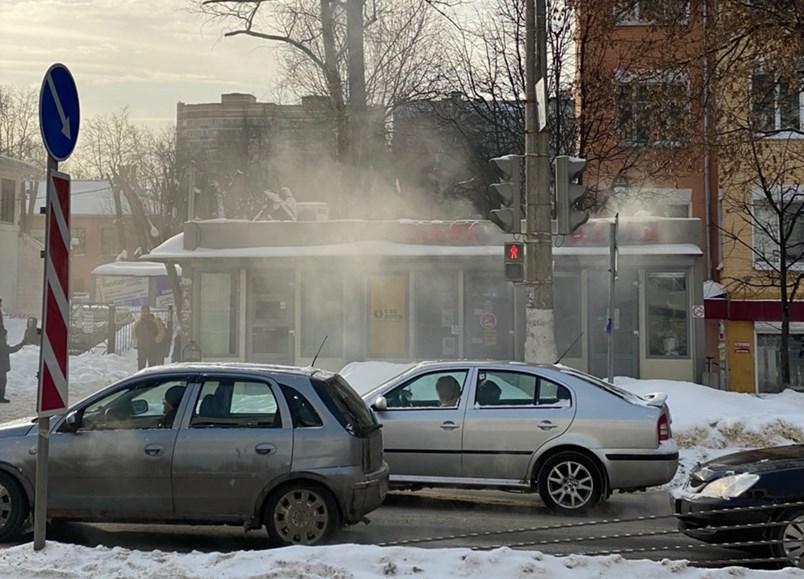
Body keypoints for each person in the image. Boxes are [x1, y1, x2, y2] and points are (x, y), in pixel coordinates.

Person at [133, 305, 165, 370]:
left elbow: (161, 331)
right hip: (142, 347)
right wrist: (137, 341)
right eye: (142, 311)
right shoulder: (138, 322)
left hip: (153, 346)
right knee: (141, 365)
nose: (144, 313)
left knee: (152, 365)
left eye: (145, 311)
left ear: (149, 312)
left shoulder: (155, 321)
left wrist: (156, 341)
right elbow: (134, 333)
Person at [0, 328, 24, 403]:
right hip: (1, 368)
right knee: (2, 382)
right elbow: (12, 349)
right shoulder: (2, 344)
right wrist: (21, 344)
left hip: (2, 368)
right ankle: (1, 398)